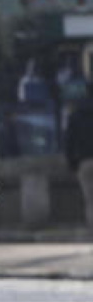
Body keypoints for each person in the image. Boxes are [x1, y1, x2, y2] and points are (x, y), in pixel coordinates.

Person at [64, 81, 93, 233]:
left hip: (85, 161)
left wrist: (72, 163)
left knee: (90, 199)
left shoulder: (76, 114)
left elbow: (69, 141)